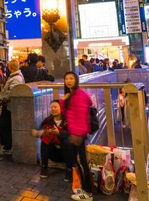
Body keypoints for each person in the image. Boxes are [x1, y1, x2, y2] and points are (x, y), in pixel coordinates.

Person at [61, 72, 94, 201]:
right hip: (75, 133)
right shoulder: (71, 95)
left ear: (76, 80)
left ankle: (88, 192)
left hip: (78, 134)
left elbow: (81, 116)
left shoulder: (79, 95)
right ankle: (85, 189)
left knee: (82, 162)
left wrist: (77, 134)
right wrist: (63, 101)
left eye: (71, 78)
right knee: (79, 162)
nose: (68, 81)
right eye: (66, 78)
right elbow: (66, 114)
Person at [31, 100, 70, 181]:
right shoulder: (48, 120)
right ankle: (44, 167)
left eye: (55, 107)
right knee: (45, 141)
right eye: (51, 107)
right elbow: (40, 131)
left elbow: (72, 135)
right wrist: (39, 133)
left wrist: (59, 133)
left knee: (67, 142)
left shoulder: (67, 120)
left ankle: (69, 169)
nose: (53, 109)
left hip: (65, 154)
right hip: (53, 153)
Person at [0, 60, 24, 155]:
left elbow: (12, 92)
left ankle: (7, 147)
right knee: (5, 126)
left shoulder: (15, 78)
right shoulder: (16, 77)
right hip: (9, 106)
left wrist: (3, 98)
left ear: (10, 68)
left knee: (3, 126)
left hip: (9, 106)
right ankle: (7, 146)